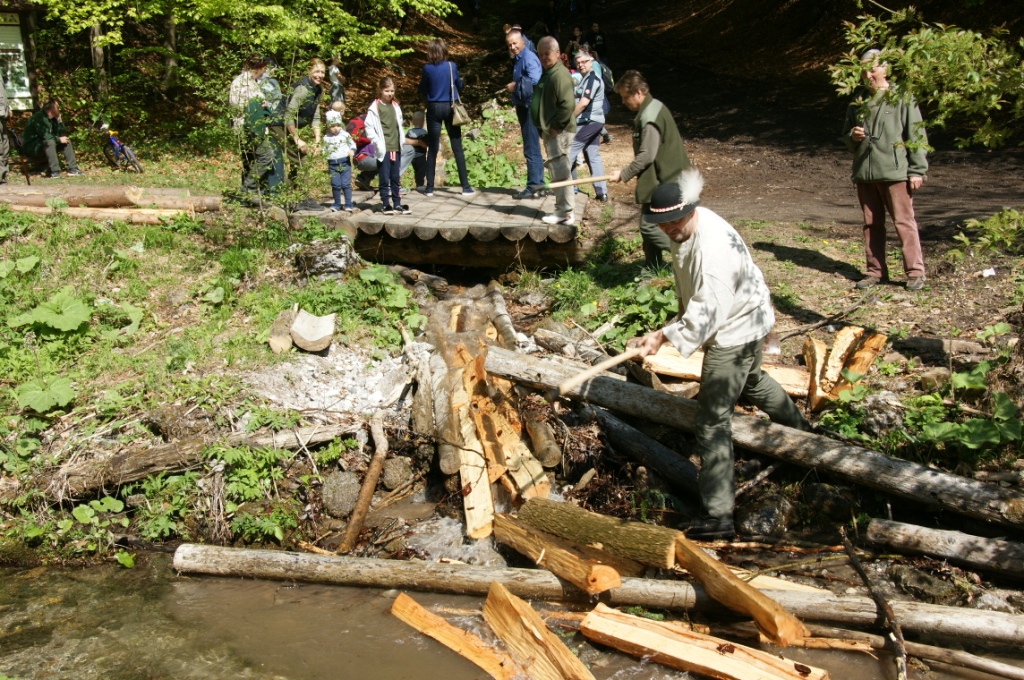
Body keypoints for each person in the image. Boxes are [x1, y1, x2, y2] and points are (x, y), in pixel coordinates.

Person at [632, 172, 812, 539]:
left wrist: (663, 338)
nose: (668, 228)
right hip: (747, 316)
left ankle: (718, 515)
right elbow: (689, 288)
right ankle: (803, 435)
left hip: (735, 329)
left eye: (674, 221)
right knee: (752, 379)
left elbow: (706, 311)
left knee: (712, 420)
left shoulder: (714, 251)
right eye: (661, 223)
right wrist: (668, 326)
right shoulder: (685, 228)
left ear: (690, 211)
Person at [842, 48, 928, 291]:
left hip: (896, 172)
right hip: (864, 173)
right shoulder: (856, 102)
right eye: (863, 70)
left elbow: (916, 134)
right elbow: (846, 140)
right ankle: (875, 272)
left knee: (904, 222)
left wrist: (917, 170)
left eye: (873, 68)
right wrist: (853, 136)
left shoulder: (903, 98)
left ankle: (915, 272)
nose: (868, 74)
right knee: (871, 224)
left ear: (886, 69)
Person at [610, 70, 691, 270]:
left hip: (667, 181)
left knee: (649, 227)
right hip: (658, 182)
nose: (623, 102)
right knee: (649, 221)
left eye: (625, 97)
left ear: (638, 92)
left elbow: (647, 155)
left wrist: (624, 173)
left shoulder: (650, 117)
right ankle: (652, 268)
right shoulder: (653, 108)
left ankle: (690, 251)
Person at [531, 36, 576, 225]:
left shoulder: (560, 74)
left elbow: (567, 105)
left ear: (557, 53)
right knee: (557, 171)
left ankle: (564, 212)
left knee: (560, 172)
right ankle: (564, 210)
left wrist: (555, 126)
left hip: (559, 132)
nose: (543, 57)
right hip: (550, 131)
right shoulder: (549, 72)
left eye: (547, 54)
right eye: (540, 54)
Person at [418, 39, 473, 196]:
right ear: (444, 50)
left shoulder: (427, 68)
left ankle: (429, 188)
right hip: (450, 107)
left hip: (434, 108)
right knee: (457, 146)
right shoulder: (451, 66)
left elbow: (422, 87)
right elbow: (459, 85)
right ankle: (466, 187)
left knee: (433, 148)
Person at [270, 58, 325, 184]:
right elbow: (288, 115)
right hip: (278, 123)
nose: (320, 75)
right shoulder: (303, 89)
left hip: (288, 124)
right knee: (300, 160)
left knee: (301, 158)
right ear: (309, 71)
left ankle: (291, 197)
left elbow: (316, 117)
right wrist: (297, 139)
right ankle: (302, 199)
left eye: (322, 72)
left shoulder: (317, 90)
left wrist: (317, 140)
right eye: (317, 71)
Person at [506, 29, 545, 200]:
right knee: (532, 146)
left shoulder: (528, 57)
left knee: (531, 147)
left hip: (529, 107)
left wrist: (515, 86)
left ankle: (533, 186)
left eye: (515, 43)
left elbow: (535, 79)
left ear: (522, 41)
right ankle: (539, 185)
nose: (513, 47)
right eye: (510, 45)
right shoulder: (519, 58)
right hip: (523, 106)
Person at [568, 48, 607, 203]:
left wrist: (570, 118)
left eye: (584, 62)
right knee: (593, 156)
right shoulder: (584, 79)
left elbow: (584, 103)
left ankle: (569, 188)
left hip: (589, 123)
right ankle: (601, 193)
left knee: (569, 153)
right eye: (578, 63)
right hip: (593, 122)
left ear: (591, 61)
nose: (581, 65)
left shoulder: (592, 78)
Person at [365, 76, 407, 215]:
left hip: (396, 147)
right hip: (384, 148)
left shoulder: (395, 106)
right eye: (387, 91)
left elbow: (398, 125)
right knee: (384, 177)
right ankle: (385, 203)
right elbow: (369, 127)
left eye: (392, 91)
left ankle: (397, 203)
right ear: (381, 90)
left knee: (395, 177)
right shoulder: (375, 108)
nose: (390, 94)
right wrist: (377, 141)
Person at [229, 54, 267, 192]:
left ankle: (249, 195)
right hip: (249, 127)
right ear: (259, 67)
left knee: (249, 160)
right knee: (265, 156)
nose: (264, 72)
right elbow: (238, 104)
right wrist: (258, 105)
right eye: (264, 69)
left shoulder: (251, 82)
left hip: (249, 126)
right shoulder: (242, 82)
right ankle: (246, 190)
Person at [22, 100, 82, 178]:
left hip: (44, 145)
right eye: (57, 107)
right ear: (52, 108)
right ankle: (55, 171)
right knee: (50, 142)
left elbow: (61, 133)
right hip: (33, 147)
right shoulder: (39, 118)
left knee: (66, 141)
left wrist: (59, 121)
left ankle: (73, 169)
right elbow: (45, 135)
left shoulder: (53, 118)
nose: (59, 109)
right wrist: (59, 140)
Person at [323, 109, 356, 213]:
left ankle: (348, 204)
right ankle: (337, 203)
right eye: (332, 126)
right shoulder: (326, 137)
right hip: (332, 164)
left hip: (344, 162)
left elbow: (352, 144)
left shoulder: (345, 135)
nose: (335, 128)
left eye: (337, 125)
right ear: (328, 126)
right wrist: (324, 156)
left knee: (345, 184)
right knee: (335, 184)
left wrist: (352, 150)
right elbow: (325, 149)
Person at [400, 110, 428, 191]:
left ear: (412, 122)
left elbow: (406, 141)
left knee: (406, 168)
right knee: (420, 170)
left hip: (411, 155)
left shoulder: (410, 132)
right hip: (420, 155)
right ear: (423, 122)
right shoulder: (424, 132)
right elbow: (427, 142)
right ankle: (419, 185)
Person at [0, 75, 9, 184]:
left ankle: (3, 175)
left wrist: (7, 108)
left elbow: (2, 94)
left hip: (3, 115)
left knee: (5, 145)